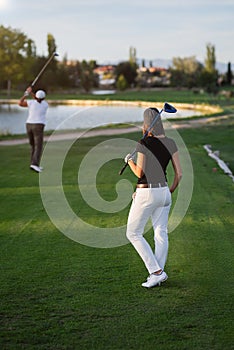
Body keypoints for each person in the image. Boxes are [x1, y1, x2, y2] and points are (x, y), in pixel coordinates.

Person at [125, 107, 182, 288]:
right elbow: (179, 174)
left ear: (146, 123)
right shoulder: (171, 142)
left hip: (146, 191)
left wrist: (129, 161)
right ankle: (158, 273)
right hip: (164, 192)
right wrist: (170, 190)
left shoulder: (144, 143)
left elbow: (139, 172)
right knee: (160, 234)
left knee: (133, 233)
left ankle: (156, 272)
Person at [18, 87, 48, 173]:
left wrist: (26, 94)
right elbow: (38, 98)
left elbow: (20, 103)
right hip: (38, 126)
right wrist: (30, 93)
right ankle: (34, 164)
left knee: (33, 145)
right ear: (44, 98)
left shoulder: (31, 103)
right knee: (38, 146)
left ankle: (33, 164)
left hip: (29, 125)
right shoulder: (45, 104)